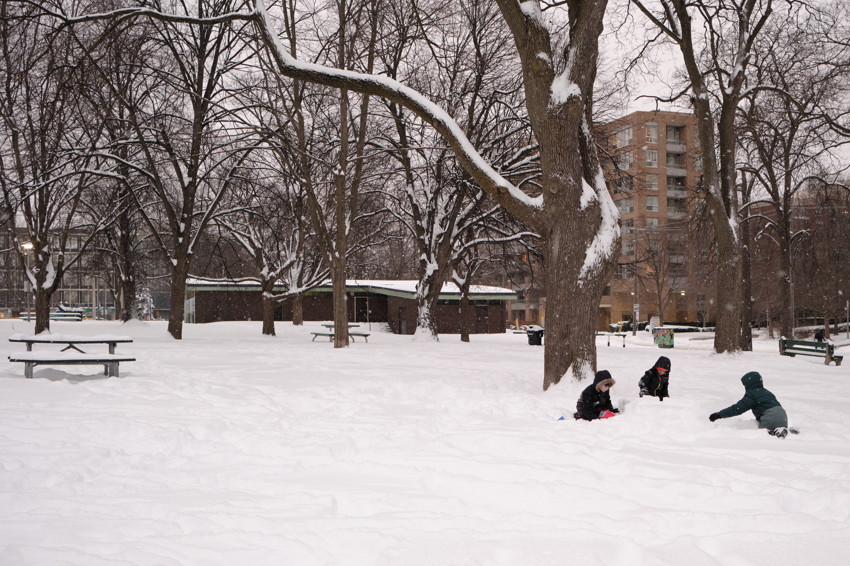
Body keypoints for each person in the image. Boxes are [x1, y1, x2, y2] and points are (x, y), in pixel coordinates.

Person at [708, 371, 790, 438]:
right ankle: (784, 431)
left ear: (749, 384)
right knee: (774, 433)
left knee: (765, 437)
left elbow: (737, 409)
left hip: (770, 417)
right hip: (783, 416)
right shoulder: (767, 392)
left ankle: (774, 432)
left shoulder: (752, 394)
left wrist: (719, 414)